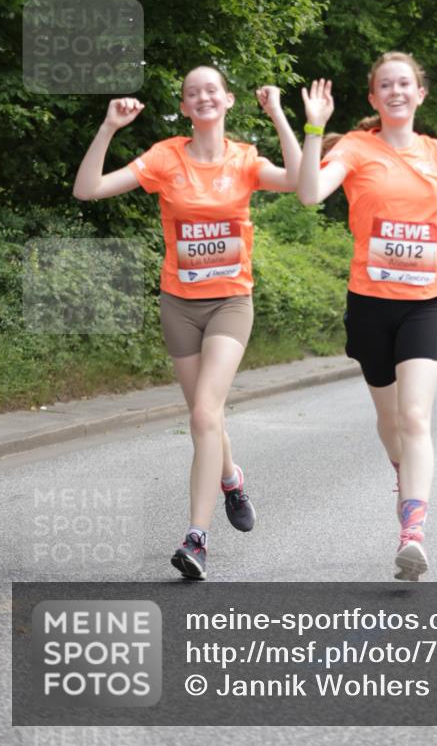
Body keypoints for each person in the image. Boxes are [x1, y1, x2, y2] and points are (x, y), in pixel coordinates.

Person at [296, 52, 437, 581]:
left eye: (406, 83)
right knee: (390, 420)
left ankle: (412, 533)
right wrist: (314, 130)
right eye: (386, 85)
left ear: (420, 94)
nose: (397, 91)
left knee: (416, 417)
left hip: (424, 303)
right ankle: (405, 476)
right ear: (374, 98)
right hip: (370, 305)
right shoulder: (355, 148)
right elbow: (309, 194)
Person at [73, 66, 301, 580]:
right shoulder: (164, 157)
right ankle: (231, 477)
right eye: (192, 92)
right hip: (179, 304)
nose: (203, 97)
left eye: (211, 90)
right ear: (185, 105)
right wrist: (109, 127)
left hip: (229, 303)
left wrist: (280, 115)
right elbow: (87, 189)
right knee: (206, 417)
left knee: (203, 415)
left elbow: (300, 181)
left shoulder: (244, 159)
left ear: (227, 100)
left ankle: (196, 538)